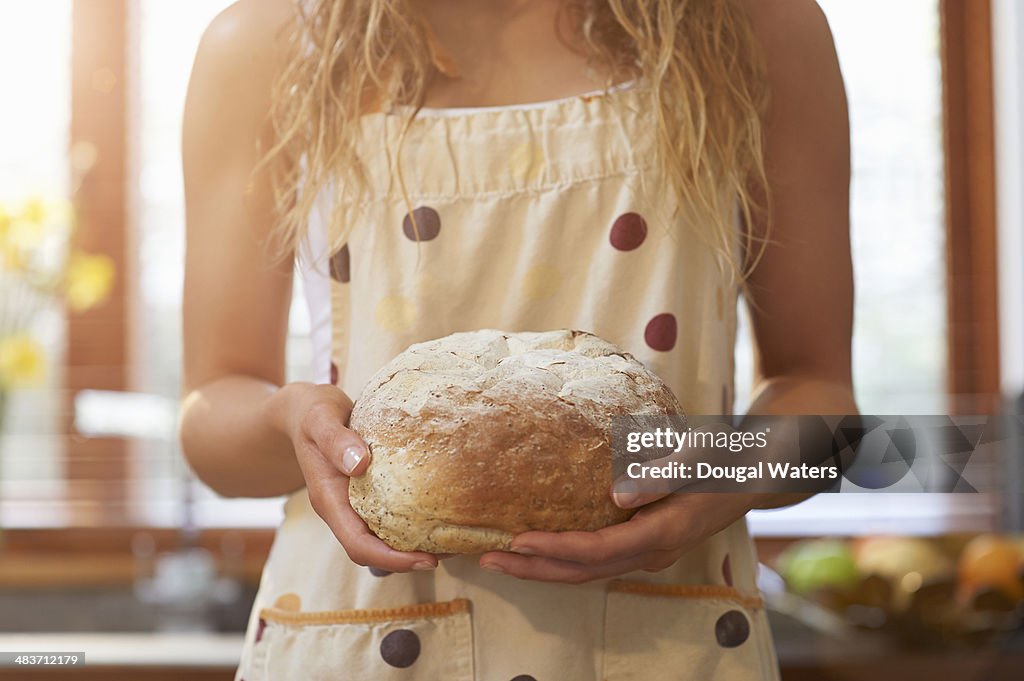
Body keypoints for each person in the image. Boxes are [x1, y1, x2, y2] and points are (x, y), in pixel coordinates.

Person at [180, 0, 855, 678]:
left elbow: (831, 416)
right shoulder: (268, 43)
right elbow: (212, 417)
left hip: (670, 642)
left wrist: (723, 476)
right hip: (367, 641)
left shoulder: (757, 26)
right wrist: (293, 423)